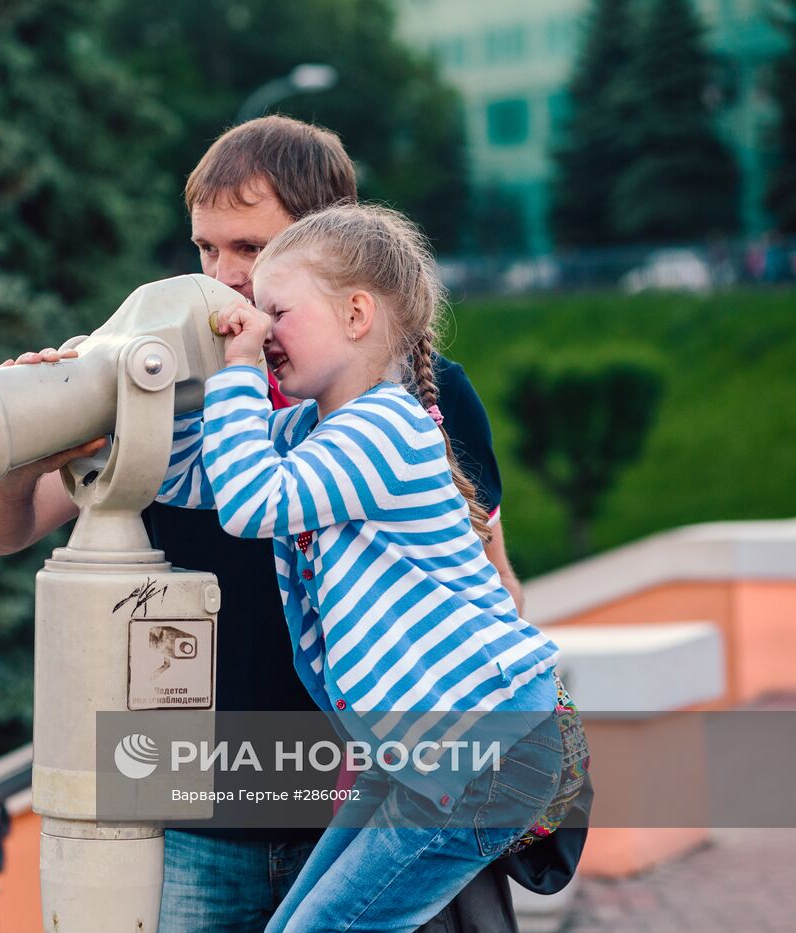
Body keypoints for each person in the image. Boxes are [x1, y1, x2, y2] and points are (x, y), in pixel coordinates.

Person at [0, 117, 547, 932]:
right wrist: (45, 425)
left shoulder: (420, 400)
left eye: (250, 250)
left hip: (366, 780)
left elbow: (494, 583)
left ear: (326, 249)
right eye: (206, 249)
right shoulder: (165, 377)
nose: (225, 277)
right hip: (203, 805)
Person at [159, 201, 588, 932]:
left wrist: (233, 371)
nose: (257, 330)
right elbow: (191, 479)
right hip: (419, 755)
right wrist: (115, 398)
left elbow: (252, 502)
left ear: (357, 313)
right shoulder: (308, 429)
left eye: (275, 311)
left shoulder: (385, 426)